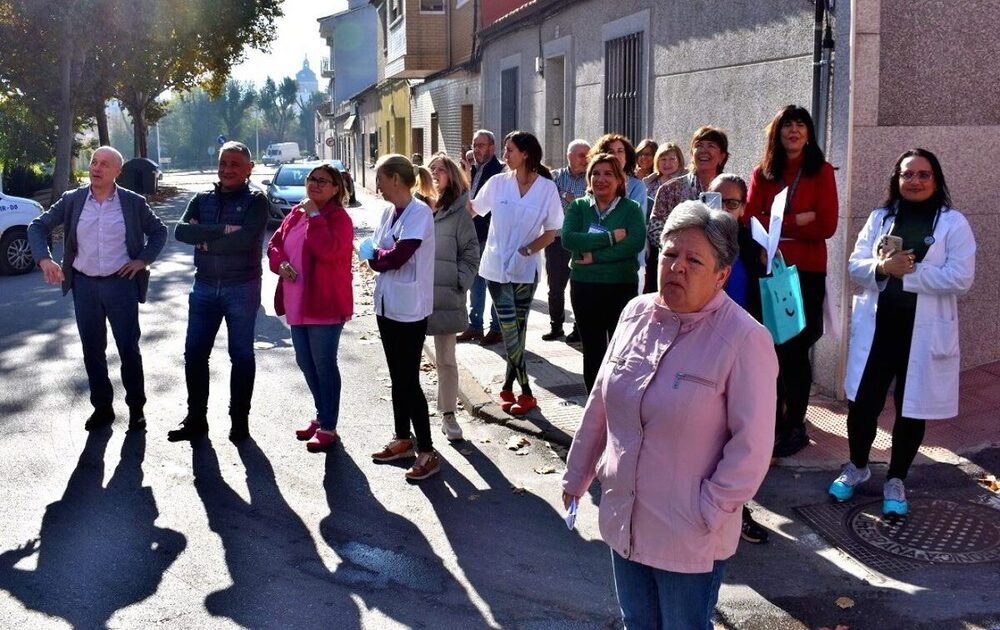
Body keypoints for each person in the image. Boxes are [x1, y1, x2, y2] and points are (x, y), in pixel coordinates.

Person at [563, 201, 778, 630]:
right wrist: (578, 474)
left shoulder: (745, 339)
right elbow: (601, 403)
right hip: (624, 512)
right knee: (636, 623)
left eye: (693, 260)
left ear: (721, 275)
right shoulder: (635, 314)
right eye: (669, 254)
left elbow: (752, 446)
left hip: (689, 531)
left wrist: (709, 511)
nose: (676, 267)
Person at [829, 149, 975, 516]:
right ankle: (857, 468)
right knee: (862, 405)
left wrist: (907, 272)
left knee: (912, 409)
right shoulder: (881, 218)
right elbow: (855, 265)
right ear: (896, 179)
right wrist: (882, 267)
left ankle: (896, 478)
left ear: (936, 180)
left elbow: (961, 277)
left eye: (923, 175)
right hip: (879, 328)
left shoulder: (953, 223)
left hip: (922, 333)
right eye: (907, 174)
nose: (914, 181)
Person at [27, 146, 167, 432]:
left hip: (121, 286)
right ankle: (102, 408)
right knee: (92, 350)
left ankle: (136, 409)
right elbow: (37, 226)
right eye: (93, 162)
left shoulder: (132, 202)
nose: (96, 168)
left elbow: (159, 231)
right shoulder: (73, 200)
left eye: (104, 164)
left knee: (128, 349)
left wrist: (142, 260)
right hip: (85, 286)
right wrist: (44, 259)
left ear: (118, 171)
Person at [745, 105, 838, 458]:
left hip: (805, 274)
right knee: (769, 349)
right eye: (787, 125)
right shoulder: (763, 173)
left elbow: (826, 224)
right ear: (777, 133)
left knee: (796, 351)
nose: (794, 131)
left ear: (809, 133)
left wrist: (783, 222)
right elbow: (752, 217)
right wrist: (800, 218)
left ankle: (795, 424)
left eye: (800, 125)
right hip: (770, 272)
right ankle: (773, 420)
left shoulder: (821, 171)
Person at [170, 141, 269, 443]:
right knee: (195, 355)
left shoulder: (257, 201)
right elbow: (180, 231)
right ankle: (196, 419)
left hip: (243, 286)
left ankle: (239, 421)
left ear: (249, 169)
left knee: (241, 356)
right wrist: (221, 230)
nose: (227, 169)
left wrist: (204, 237)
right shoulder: (201, 198)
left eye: (235, 164)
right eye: (223, 163)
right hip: (204, 286)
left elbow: (246, 240)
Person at [358, 154, 440, 480]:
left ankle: (428, 450)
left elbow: (395, 257)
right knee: (397, 377)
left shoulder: (420, 213)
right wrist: (378, 257)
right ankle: (403, 437)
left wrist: (376, 257)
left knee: (409, 380)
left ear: (394, 178)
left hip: (409, 308)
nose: (376, 185)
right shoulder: (388, 212)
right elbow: (379, 253)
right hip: (387, 304)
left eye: (379, 178)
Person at [470, 130, 562, 415]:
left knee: (517, 332)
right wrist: (453, 187)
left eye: (510, 150)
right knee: (510, 329)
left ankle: (508, 387)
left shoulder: (546, 188)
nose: (505, 155)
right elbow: (472, 210)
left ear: (525, 154)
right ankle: (527, 391)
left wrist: (527, 251)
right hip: (495, 267)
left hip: (527, 269)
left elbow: (552, 231)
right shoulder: (497, 183)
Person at [267, 164, 354, 453]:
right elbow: (274, 244)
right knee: (306, 362)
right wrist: (280, 263)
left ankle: (329, 426)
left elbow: (327, 250)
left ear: (335, 189)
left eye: (323, 181)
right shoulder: (295, 213)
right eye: (312, 179)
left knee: (324, 365)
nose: (315, 184)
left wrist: (315, 215)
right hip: (297, 301)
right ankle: (321, 415)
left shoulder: (338, 218)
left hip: (325, 303)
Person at [709, 173, 770, 545]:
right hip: (702, 351)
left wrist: (770, 259)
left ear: (743, 208)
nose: (723, 209)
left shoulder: (753, 242)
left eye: (731, 203)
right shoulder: (693, 240)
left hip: (742, 353)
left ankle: (737, 511)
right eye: (716, 201)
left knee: (739, 435)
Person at [561, 153, 645, 393]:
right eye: (595, 173)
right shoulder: (578, 207)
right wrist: (610, 238)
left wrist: (595, 256)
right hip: (584, 287)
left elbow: (635, 243)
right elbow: (568, 239)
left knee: (621, 349)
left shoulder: (631, 208)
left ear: (619, 180)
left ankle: (619, 402)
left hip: (620, 286)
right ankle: (594, 406)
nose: (601, 179)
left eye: (608, 173)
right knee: (593, 348)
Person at [426, 154, 480, 441]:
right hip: (414, 296)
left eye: (440, 169)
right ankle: (413, 421)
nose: (434, 173)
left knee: (446, 359)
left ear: (451, 175)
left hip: (446, 295)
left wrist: (459, 282)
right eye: (431, 168)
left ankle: (449, 415)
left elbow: (471, 254)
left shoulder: (459, 213)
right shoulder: (417, 208)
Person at [459, 129, 505, 345]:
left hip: (490, 235)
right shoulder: (473, 169)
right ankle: (475, 326)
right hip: (472, 236)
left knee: (493, 283)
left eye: (481, 145)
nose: (476, 149)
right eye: (474, 145)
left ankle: (497, 328)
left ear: (492, 147)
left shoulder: (500, 172)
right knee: (475, 283)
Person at [544, 138, 590, 342]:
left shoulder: (592, 179)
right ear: (569, 156)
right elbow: (548, 198)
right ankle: (556, 326)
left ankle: (579, 328)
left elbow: (590, 204)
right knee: (555, 287)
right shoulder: (556, 177)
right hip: (557, 240)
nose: (585, 160)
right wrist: (566, 195)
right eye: (581, 155)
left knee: (580, 287)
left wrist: (572, 199)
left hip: (582, 240)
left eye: (588, 156)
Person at [642, 142, 686, 292]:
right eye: (663, 159)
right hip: (650, 240)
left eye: (672, 159)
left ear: (679, 160)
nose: (667, 163)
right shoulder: (649, 183)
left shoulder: (685, 182)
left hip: (676, 240)